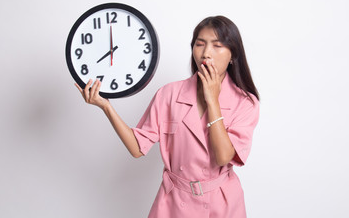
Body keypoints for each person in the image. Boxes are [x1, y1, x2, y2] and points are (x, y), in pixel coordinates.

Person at [75, 16, 260, 218]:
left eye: (217, 46)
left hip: (222, 205)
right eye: (200, 44)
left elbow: (224, 157)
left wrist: (213, 100)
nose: (206, 53)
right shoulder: (169, 94)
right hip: (173, 204)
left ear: (233, 55)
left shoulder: (245, 103)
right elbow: (137, 148)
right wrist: (106, 107)